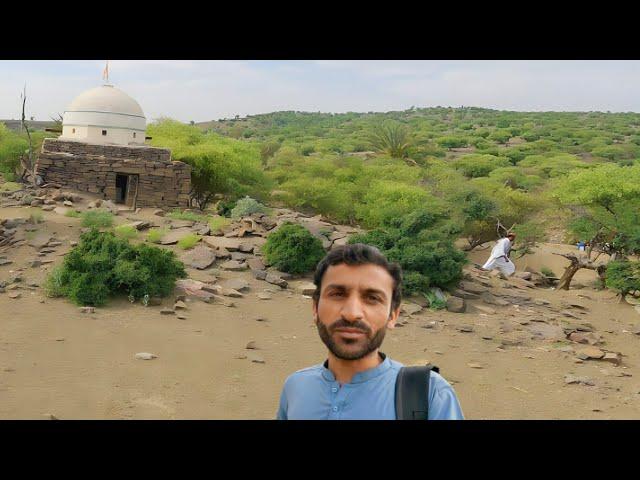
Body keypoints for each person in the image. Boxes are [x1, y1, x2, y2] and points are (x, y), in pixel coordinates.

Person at [276, 243, 463, 420]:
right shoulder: (295, 387)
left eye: (372, 298)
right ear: (315, 308)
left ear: (393, 316)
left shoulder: (430, 393)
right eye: (338, 294)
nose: (352, 314)